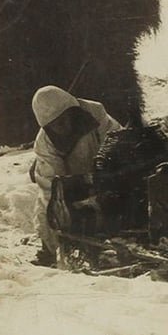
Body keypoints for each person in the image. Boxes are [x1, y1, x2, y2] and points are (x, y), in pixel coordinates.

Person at [30, 85, 122, 266]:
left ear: (72, 111)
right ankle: (48, 252)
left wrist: (109, 170)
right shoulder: (45, 144)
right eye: (55, 125)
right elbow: (51, 189)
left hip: (105, 170)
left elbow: (118, 139)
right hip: (71, 180)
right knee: (47, 208)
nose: (62, 127)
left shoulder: (95, 112)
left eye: (64, 120)